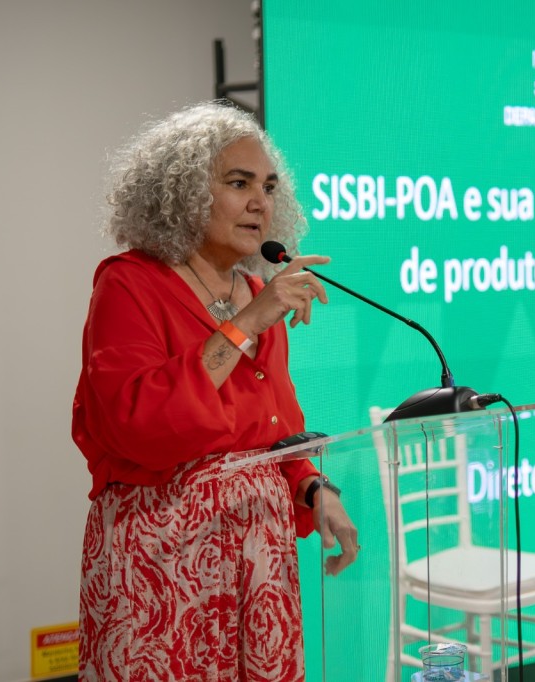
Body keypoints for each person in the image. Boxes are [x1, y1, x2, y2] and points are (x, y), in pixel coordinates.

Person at [71, 101, 359, 681]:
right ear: (182, 194)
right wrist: (247, 322)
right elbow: (138, 422)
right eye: (239, 183)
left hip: (260, 554)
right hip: (162, 552)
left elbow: (275, 427)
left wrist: (313, 486)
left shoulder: (255, 290)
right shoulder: (130, 284)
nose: (261, 202)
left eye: (269, 187)